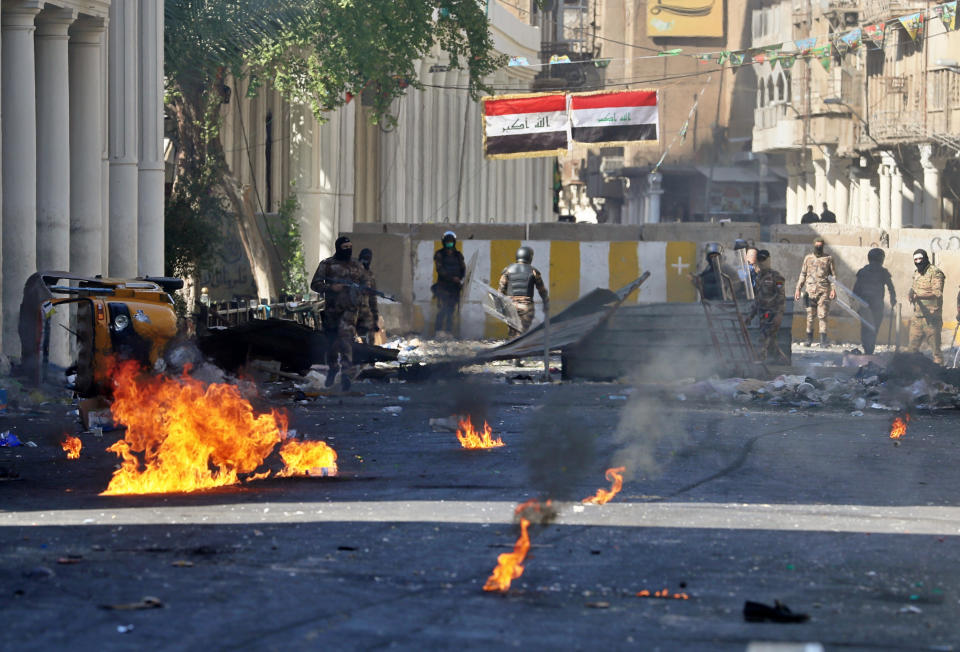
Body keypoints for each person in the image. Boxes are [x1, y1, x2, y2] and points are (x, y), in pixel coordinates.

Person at [311, 236, 366, 390]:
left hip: (350, 311)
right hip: (332, 310)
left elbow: (365, 284)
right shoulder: (327, 264)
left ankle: (346, 374)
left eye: (350, 246)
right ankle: (333, 367)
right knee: (332, 344)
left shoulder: (357, 265)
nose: (348, 249)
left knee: (346, 339)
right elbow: (315, 284)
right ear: (338, 247)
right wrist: (331, 288)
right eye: (345, 247)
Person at [852, 248, 897, 355]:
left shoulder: (862, 271)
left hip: (865, 305)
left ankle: (867, 350)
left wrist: (854, 300)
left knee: (866, 327)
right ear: (881, 259)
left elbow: (856, 289)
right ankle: (869, 350)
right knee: (874, 327)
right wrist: (893, 299)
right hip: (877, 305)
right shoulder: (883, 272)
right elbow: (891, 288)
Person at [794, 236, 837, 347]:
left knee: (822, 316)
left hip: (823, 291)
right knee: (810, 316)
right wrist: (798, 289)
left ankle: (823, 341)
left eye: (820, 246)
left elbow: (833, 276)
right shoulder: (808, 258)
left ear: (823, 246)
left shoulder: (828, 258)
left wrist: (833, 289)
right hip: (809, 292)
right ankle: (809, 339)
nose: (818, 247)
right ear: (814, 245)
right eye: (816, 245)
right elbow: (803, 274)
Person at [498, 246, 549, 337]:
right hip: (526, 306)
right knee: (522, 333)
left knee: (512, 333)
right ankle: (519, 349)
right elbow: (542, 291)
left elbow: (500, 291)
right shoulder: (534, 271)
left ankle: (512, 349)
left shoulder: (507, 270)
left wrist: (501, 307)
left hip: (510, 306)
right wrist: (546, 304)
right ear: (529, 257)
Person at [747, 250, 787, 362]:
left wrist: (779, 315)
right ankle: (783, 362)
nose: (762, 263)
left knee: (763, 340)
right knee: (771, 342)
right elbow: (757, 299)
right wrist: (750, 316)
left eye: (764, 260)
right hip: (762, 315)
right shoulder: (758, 277)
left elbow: (781, 297)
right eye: (759, 260)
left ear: (769, 260)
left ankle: (760, 366)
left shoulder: (776, 277)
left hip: (773, 314)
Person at [907, 248, 945, 365]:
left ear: (925, 258)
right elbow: (913, 288)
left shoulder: (935, 273)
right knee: (911, 349)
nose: (918, 262)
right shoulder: (916, 273)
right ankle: (911, 375)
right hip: (917, 317)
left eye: (920, 259)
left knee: (936, 352)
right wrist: (910, 294)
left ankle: (939, 376)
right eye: (915, 259)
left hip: (932, 318)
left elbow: (937, 293)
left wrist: (919, 296)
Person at [432, 231, 465, 335]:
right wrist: (452, 278)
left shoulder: (458, 255)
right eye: (447, 242)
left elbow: (463, 269)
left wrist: (460, 279)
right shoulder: (439, 254)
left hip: (455, 288)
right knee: (443, 309)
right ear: (443, 242)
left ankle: (448, 332)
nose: (449, 244)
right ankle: (438, 332)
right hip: (443, 286)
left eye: (451, 242)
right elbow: (440, 269)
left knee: (451, 310)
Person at [355, 248, 380, 345]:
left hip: (364, 311)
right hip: (350, 310)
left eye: (368, 258)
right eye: (364, 257)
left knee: (370, 338)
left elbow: (373, 298)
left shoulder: (370, 275)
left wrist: (375, 317)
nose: (366, 260)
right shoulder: (352, 271)